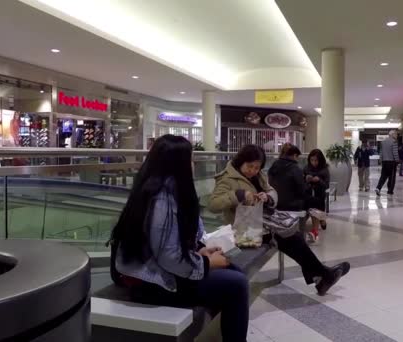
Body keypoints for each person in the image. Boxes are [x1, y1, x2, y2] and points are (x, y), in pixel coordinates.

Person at [110, 135, 249, 342]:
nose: (193, 165)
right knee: (236, 283)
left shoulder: (160, 190)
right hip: (152, 283)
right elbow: (168, 257)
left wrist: (199, 252)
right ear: (178, 164)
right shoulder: (162, 201)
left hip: (158, 272)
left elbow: (168, 246)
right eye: (191, 159)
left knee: (232, 272)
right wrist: (207, 262)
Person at [208, 144, 350, 296]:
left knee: (291, 237)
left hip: (261, 225)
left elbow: (271, 190)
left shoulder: (258, 175)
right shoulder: (227, 178)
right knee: (290, 238)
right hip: (243, 231)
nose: (253, 171)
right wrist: (238, 195)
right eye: (250, 166)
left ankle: (321, 277)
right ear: (240, 161)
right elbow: (213, 204)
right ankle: (322, 276)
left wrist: (267, 197)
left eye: (257, 167)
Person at [303, 149, 330, 237]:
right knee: (312, 208)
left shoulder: (324, 170)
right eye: (312, 160)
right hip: (309, 193)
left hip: (319, 194)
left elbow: (326, 185)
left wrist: (319, 180)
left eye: (316, 160)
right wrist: (306, 179)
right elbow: (301, 180)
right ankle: (316, 229)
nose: (313, 162)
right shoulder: (306, 168)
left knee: (317, 207)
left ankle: (317, 227)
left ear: (320, 160)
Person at [375, 130, 400, 197]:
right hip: (391, 162)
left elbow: (381, 152)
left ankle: (378, 188)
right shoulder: (394, 142)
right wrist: (397, 160)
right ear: (392, 134)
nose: (396, 136)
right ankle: (390, 190)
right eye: (396, 134)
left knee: (383, 176)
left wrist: (380, 160)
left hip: (384, 162)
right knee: (392, 177)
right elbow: (395, 153)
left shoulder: (383, 142)